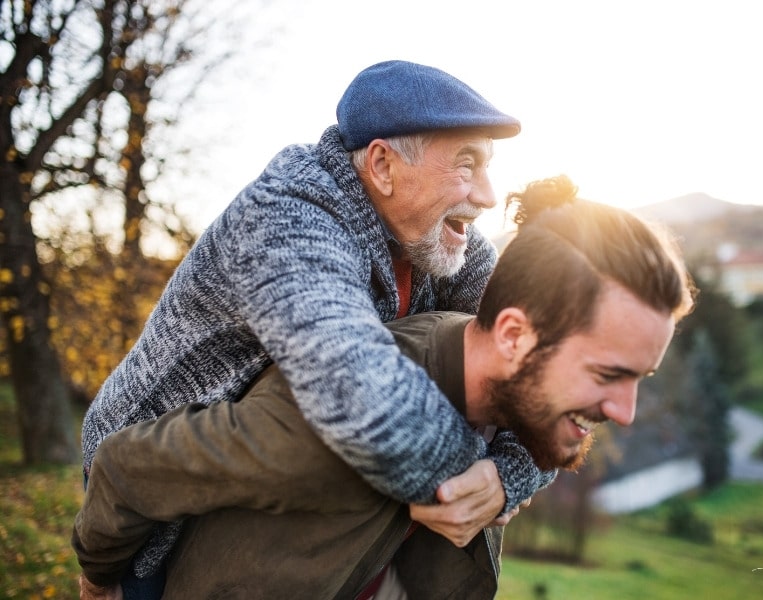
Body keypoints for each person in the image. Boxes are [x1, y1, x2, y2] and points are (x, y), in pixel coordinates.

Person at [73, 175, 697, 599]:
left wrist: (509, 475)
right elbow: (128, 467)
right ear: (512, 337)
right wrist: (102, 580)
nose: (627, 411)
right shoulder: (334, 422)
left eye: (638, 378)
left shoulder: (509, 394)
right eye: (607, 375)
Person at [79, 60, 548, 598]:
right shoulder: (287, 216)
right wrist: (478, 481)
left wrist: (506, 477)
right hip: (154, 481)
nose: (489, 195)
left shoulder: (439, 236)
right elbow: (360, 393)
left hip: (271, 480)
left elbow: (545, 365)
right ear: (382, 164)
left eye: (487, 167)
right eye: (467, 164)